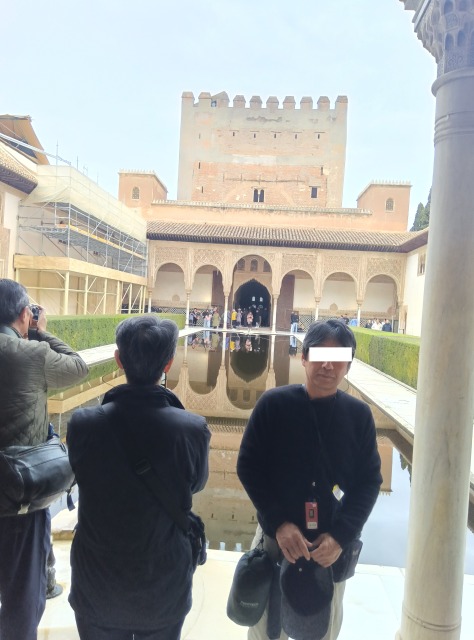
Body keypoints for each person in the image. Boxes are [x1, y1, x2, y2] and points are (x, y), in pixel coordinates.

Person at [67, 315, 210, 640]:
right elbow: (196, 484)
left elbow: (79, 472)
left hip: (97, 585)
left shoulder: (83, 424)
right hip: (162, 587)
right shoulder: (192, 429)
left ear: (118, 360)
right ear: (169, 363)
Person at [237, 320, 382, 640]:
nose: (328, 365)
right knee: (265, 629)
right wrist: (278, 523)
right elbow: (248, 466)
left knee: (323, 628)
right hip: (277, 540)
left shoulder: (359, 417)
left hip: (329, 547)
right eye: (319, 355)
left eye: (338, 357)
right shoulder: (274, 405)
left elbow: (369, 481)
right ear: (303, 357)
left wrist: (340, 536)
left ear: (348, 365)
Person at [0, 279, 89, 640]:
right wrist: (41, 332)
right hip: (18, 497)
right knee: (23, 597)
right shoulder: (30, 354)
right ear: (25, 314)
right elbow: (79, 367)